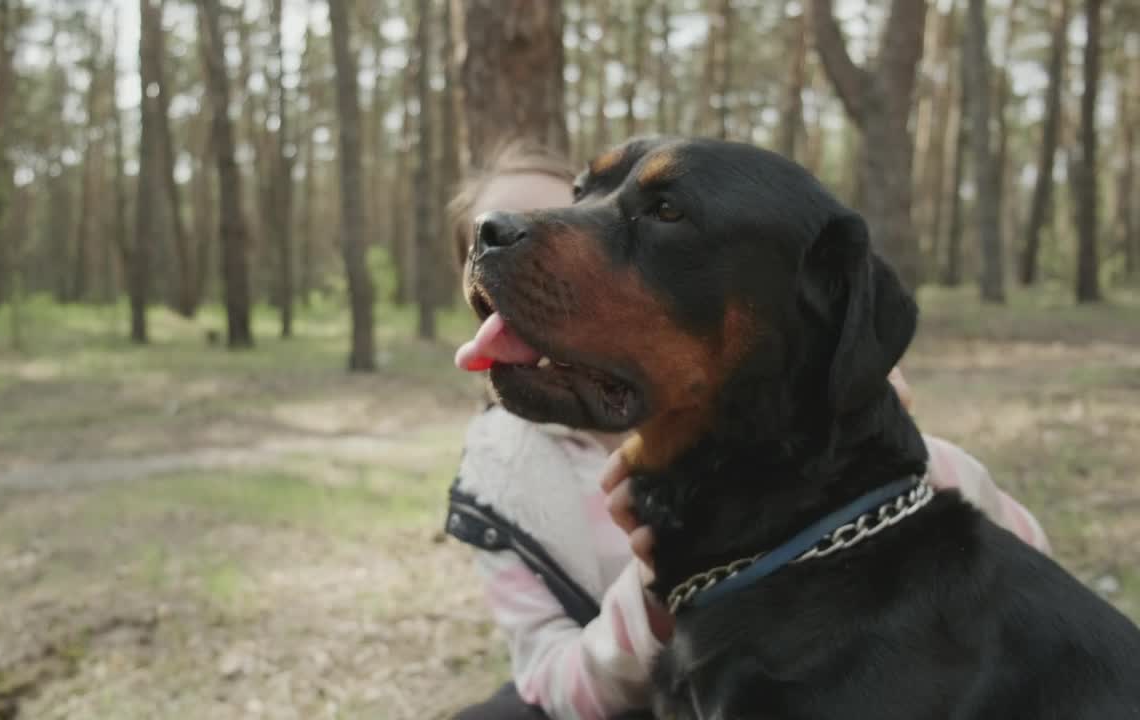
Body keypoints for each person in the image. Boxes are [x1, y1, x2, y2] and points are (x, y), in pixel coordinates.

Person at [443, 140, 1051, 720]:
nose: (524, 227)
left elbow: (1011, 555)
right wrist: (656, 592)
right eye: (581, 198)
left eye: (661, 212)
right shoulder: (502, 482)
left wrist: (857, 406)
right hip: (626, 686)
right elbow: (548, 679)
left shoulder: (888, 496)